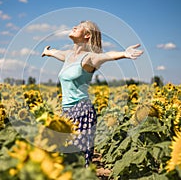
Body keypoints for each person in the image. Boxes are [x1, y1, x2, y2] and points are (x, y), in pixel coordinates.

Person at [41, 20, 143, 167]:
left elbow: (107, 56)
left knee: (78, 161)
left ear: (87, 35)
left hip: (82, 111)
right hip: (66, 113)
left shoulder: (90, 58)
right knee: (63, 158)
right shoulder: (68, 55)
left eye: (80, 27)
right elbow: (56, 52)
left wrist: (124, 54)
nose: (74, 26)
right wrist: (48, 52)